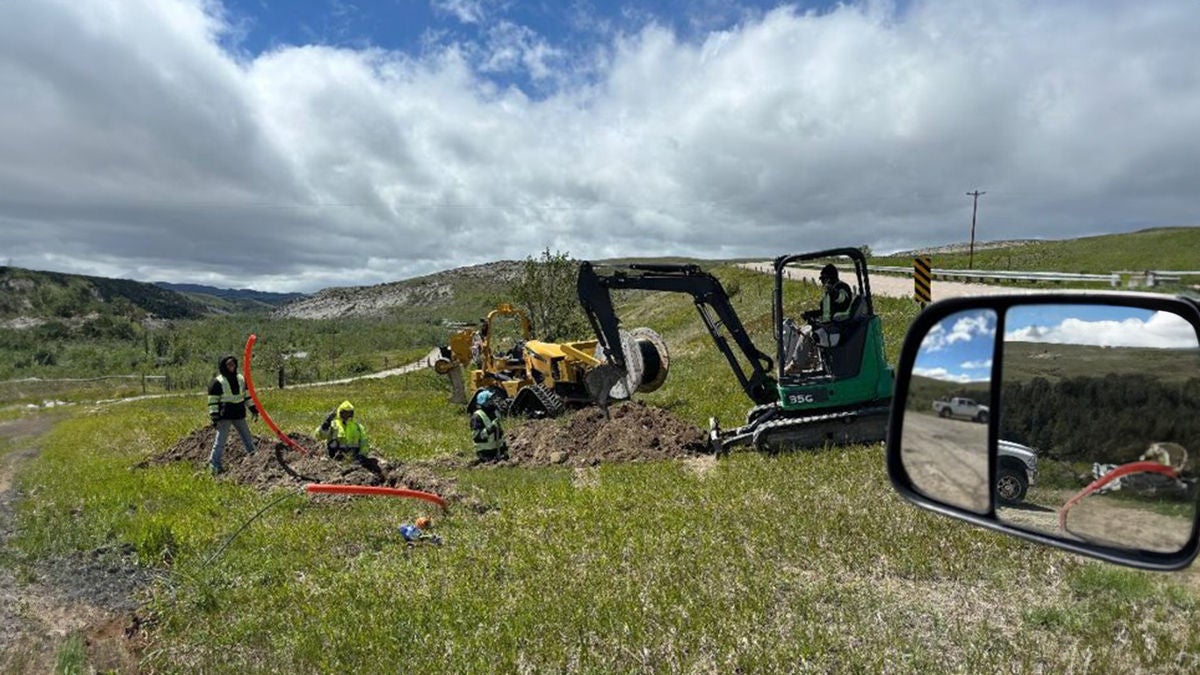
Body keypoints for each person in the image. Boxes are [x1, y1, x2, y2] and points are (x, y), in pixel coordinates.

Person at [786, 265, 855, 374]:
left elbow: (843, 299)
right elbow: (825, 313)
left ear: (829, 278)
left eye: (823, 279)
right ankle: (808, 364)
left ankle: (796, 365)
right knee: (804, 330)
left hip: (839, 327)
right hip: (830, 325)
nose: (822, 282)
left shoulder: (842, 287)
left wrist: (833, 292)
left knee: (809, 333)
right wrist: (810, 314)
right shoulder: (828, 293)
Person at [207, 354, 258, 475]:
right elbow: (213, 401)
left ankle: (255, 460)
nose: (232, 366)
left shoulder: (241, 379)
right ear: (223, 366)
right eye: (229, 364)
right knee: (220, 442)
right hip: (225, 416)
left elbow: (246, 396)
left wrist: (253, 409)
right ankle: (214, 465)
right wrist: (214, 416)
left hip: (239, 413)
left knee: (248, 438)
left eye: (233, 364)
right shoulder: (217, 382)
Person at [471, 389, 508, 462]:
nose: (492, 402)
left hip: (498, 450)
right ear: (484, 402)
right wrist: (491, 428)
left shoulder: (494, 413)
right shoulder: (477, 416)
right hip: (485, 452)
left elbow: (499, 433)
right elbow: (477, 436)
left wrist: (504, 448)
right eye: (490, 400)